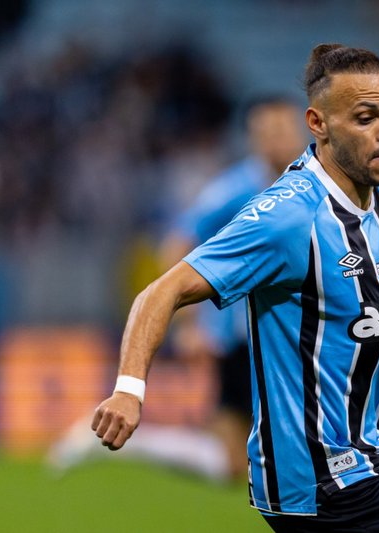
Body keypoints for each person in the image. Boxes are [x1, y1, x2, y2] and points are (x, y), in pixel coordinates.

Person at [90, 43, 379, 533]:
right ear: (319, 124)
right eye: (366, 118)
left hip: (376, 453)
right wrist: (129, 392)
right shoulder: (287, 216)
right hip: (319, 481)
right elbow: (160, 291)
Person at [48, 97, 306, 483]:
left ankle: (128, 440)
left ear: (304, 128)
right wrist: (189, 324)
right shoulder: (235, 188)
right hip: (245, 339)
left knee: (247, 463)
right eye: (265, 132)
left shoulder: (314, 180)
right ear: (251, 138)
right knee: (240, 462)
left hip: (296, 333)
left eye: (282, 130)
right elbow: (177, 242)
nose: (275, 140)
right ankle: (124, 437)